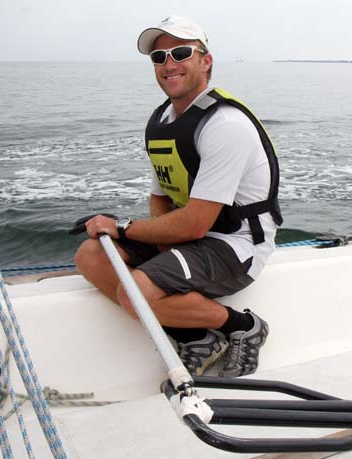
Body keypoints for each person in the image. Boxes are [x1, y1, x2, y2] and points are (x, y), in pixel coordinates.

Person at [74, 15, 282, 377]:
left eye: (181, 52)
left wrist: (122, 227)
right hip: (194, 238)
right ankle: (196, 336)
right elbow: (161, 196)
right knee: (92, 255)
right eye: (159, 57)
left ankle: (242, 327)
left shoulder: (225, 125)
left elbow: (196, 223)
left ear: (206, 60)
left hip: (236, 245)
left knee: (136, 289)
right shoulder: (164, 121)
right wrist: (160, 243)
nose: (169, 64)